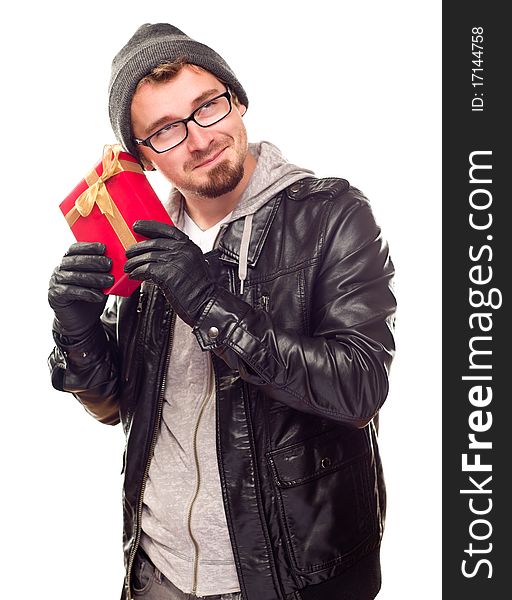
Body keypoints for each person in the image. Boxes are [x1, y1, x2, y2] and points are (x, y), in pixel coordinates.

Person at [48, 22, 396, 600]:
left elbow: (359, 388)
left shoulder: (331, 214)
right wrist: (76, 328)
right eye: (165, 130)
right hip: (155, 571)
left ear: (237, 100)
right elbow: (113, 406)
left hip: (292, 581)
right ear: (142, 157)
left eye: (207, 106)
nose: (199, 137)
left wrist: (208, 300)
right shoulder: (141, 239)